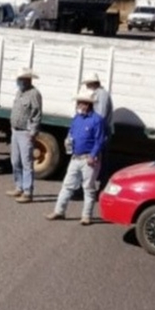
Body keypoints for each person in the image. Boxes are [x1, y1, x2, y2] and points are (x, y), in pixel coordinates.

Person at [47, 91, 108, 224]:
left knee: (88, 188)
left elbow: (100, 140)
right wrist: (68, 140)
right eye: (78, 102)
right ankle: (59, 211)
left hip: (88, 159)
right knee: (67, 185)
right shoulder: (77, 118)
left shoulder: (97, 120)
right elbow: (71, 132)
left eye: (81, 103)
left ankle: (86, 216)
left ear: (88, 104)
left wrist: (93, 155)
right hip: (75, 157)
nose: (78, 105)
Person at [7, 67, 42, 203]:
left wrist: (32, 132)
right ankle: (19, 186)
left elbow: (37, 114)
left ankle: (28, 191)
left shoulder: (34, 94)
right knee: (15, 161)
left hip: (25, 132)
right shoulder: (19, 92)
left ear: (28, 80)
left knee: (26, 163)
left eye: (21, 79)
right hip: (15, 130)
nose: (19, 81)